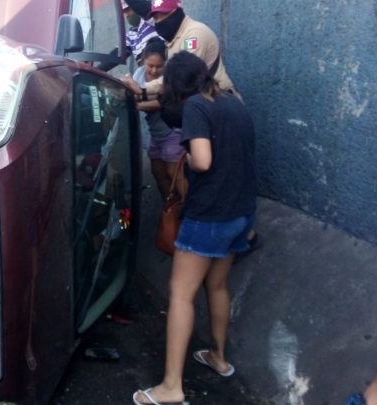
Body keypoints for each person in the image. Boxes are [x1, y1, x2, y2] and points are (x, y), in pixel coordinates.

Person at [132, 51, 257, 405]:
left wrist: (187, 158)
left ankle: (171, 387)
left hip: (209, 216)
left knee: (182, 293)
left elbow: (203, 160)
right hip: (241, 214)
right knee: (217, 285)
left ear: (176, 86)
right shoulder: (233, 103)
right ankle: (218, 358)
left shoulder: (196, 108)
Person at [126, 0, 260, 252]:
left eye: (163, 17)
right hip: (205, 113)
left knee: (221, 175)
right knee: (218, 177)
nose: (158, 23)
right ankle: (237, 239)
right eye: (155, 17)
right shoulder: (172, 42)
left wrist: (143, 92)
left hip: (220, 111)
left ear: (177, 12)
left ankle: (242, 237)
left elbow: (179, 81)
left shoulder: (193, 36)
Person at [125, 39, 187, 201]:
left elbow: (163, 103)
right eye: (150, 65)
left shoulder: (169, 77)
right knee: (159, 175)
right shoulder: (138, 74)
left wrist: (137, 105)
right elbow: (130, 93)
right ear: (143, 60)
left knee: (175, 175)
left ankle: (191, 214)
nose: (153, 70)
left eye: (159, 66)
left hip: (173, 132)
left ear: (165, 63)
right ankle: (171, 209)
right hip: (156, 134)